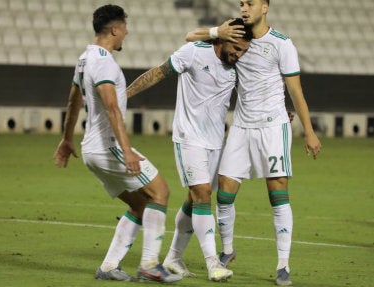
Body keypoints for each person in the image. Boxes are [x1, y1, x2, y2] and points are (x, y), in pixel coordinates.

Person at [185, 0, 322, 285]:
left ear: (265, 7)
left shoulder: (282, 44)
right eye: (242, 3)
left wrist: (308, 130)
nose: (244, 8)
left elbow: (295, 90)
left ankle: (283, 264)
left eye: (250, 3)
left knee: (277, 192)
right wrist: (216, 31)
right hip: (242, 126)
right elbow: (190, 37)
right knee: (224, 191)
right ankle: (227, 250)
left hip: (273, 128)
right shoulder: (233, 34)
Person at [52, 4, 181, 283]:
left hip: (91, 150)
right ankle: (149, 265)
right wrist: (127, 151)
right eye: (124, 27)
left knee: (140, 204)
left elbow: (73, 99)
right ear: (114, 29)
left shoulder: (85, 58)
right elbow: (112, 109)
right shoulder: (104, 62)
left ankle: (109, 267)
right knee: (160, 192)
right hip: (108, 147)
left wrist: (66, 138)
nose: (127, 32)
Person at [126, 18, 253, 281]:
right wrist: (124, 95)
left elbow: (251, 96)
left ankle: (173, 257)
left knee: (194, 199)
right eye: (237, 48)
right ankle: (213, 264)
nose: (239, 55)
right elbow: (159, 72)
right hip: (189, 138)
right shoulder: (194, 52)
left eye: (244, 51)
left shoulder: (236, 66)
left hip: (216, 141)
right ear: (223, 38)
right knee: (203, 195)